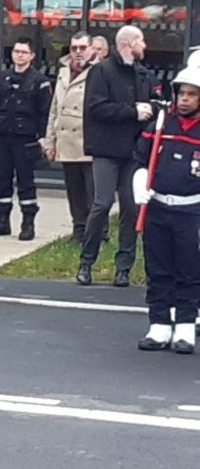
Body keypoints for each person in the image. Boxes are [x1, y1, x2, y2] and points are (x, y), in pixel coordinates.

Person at [76, 26, 155, 287]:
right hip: (107, 149)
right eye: (141, 41)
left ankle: (124, 267)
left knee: (131, 208)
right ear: (129, 43)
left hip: (133, 151)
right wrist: (132, 111)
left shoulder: (142, 73)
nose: (145, 45)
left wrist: (149, 109)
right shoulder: (102, 71)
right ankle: (86, 262)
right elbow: (96, 108)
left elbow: (152, 104)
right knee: (102, 203)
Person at [133, 57, 200, 355]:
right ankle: (159, 324)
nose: (185, 100)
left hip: (191, 211)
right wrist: (139, 184)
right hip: (158, 207)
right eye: (182, 94)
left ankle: (185, 325)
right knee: (158, 268)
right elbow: (141, 160)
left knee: (188, 270)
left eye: (192, 94)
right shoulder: (161, 124)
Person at [0, 37, 52, 241]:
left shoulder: (39, 81)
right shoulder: (3, 78)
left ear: (31, 56)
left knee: (25, 181)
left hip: (25, 138)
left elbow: (45, 112)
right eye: (16, 51)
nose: (19, 55)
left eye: (23, 52)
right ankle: (2, 221)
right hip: (2, 136)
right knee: (1, 179)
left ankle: (28, 223)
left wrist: (43, 137)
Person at [42, 32, 96, 242]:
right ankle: (78, 230)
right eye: (74, 48)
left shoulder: (99, 72)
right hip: (66, 141)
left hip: (88, 142)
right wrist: (50, 141)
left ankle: (97, 233)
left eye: (83, 48)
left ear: (91, 49)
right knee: (74, 193)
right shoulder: (64, 72)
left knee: (93, 194)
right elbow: (55, 109)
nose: (78, 52)